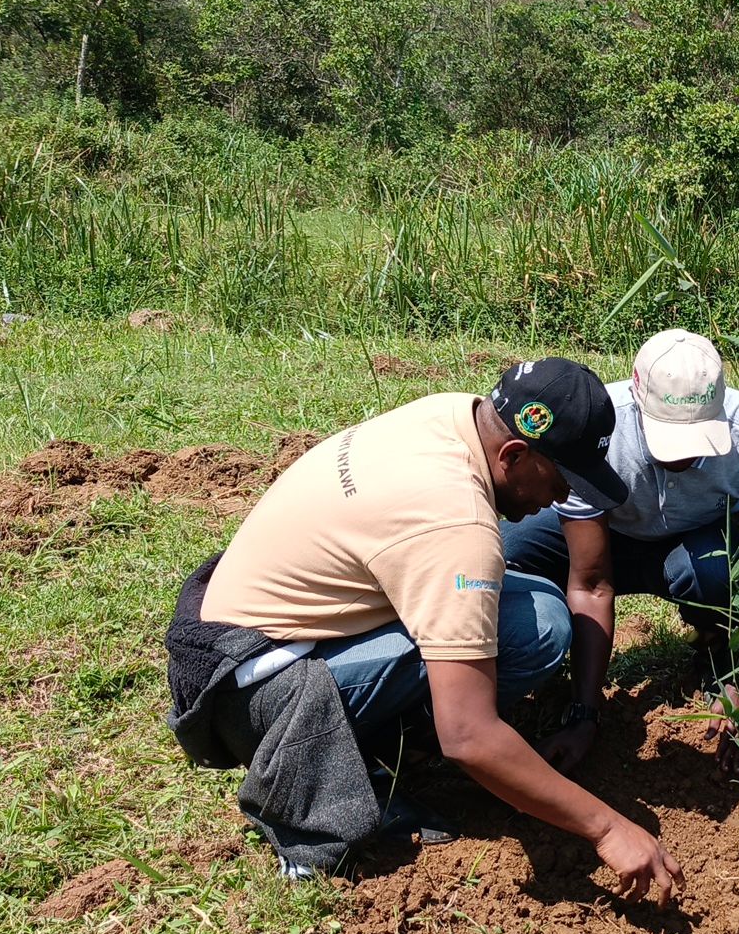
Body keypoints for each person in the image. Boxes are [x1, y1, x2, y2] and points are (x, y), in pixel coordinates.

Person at [164, 358, 683, 901]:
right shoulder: (457, 523)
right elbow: (470, 736)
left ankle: (397, 747)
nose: (557, 501)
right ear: (512, 456)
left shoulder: (451, 415)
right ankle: (356, 769)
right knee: (529, 632)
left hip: (232, 638)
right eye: (560, 481)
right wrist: (607, 827)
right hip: (253, 695)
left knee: (538, 613)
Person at [497, 329, 739, 771]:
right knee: (514, 549)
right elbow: (592, 582)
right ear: (636, 395)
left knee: (714, 571)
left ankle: (715, 651)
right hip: (610, 532)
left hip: (698, 542)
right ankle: (542, 670)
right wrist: (585, 715)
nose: (681, 459)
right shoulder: (592, 434)